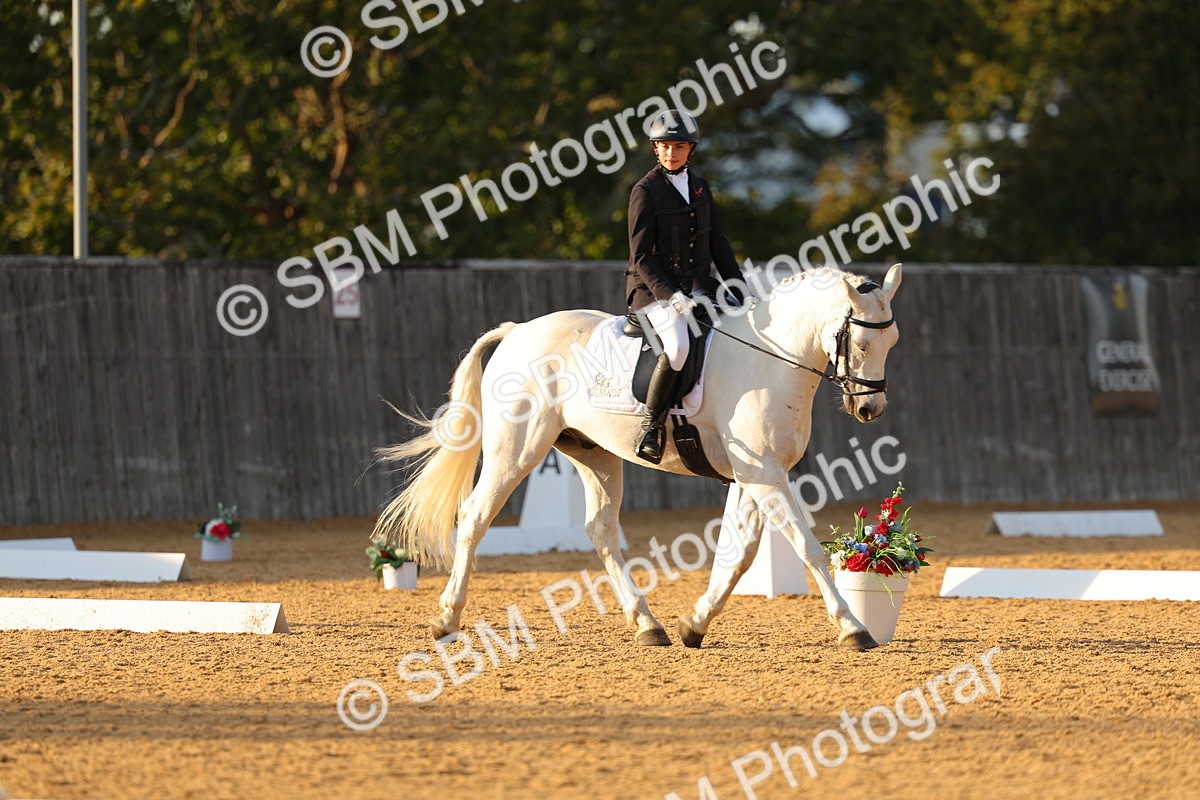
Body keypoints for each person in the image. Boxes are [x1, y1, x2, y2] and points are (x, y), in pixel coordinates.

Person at [625, 109, 745, 464]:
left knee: (738, 331)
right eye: (665, 146)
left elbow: (718, 244)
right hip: (653, 292)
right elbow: (641, 257)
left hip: (698, 287)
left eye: (679, 146)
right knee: (678, 346)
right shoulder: (645, 191)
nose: (671, 153)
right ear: (655, 149)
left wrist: (740, 290)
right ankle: (651, 426)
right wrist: (671, 297)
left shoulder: (700, 188)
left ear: (690, 149)